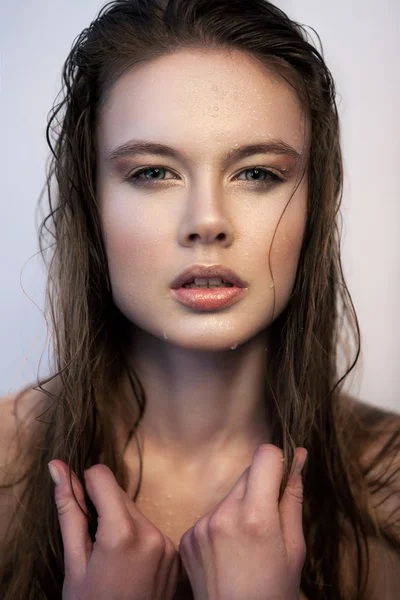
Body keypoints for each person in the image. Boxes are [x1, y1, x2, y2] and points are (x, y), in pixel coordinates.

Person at [0, 0, 399, 598]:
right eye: (153, 173)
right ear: (91, 204)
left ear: (316, 201)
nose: (207, 222)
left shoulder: (391, 486)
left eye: (258, 173)